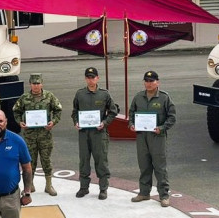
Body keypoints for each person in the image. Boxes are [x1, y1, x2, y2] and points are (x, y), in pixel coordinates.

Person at [129, 70, 177, 207]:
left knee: (159, 166)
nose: (149, 84)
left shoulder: (164, 98)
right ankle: (144, 192)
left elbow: (172, 117)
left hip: (157, 136)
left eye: (151, 81)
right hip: (141, 136)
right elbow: (132, 113)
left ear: (157, 82)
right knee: (144, 165)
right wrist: (131, 125)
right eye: (146, 81)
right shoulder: (138, 97)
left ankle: (164, 195)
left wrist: (162, 128)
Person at [71, 66, 118, 200]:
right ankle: (84, 187)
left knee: (101, 160)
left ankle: (103, 188)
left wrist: (104, 123)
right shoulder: (80, 94)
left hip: (99, 133)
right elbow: (75, 112)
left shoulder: (104, 94)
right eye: (88, 77)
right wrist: (76, 122)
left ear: (98, 78)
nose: (90, 80)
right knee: (84, 160)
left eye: (93, 77)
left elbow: (113, 111)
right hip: (84, 133)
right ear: (85, 79)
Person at [12, 73, 63, 196]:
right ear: (30, 84)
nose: (36, 86)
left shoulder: (49, 96)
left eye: (38, 83)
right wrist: (20, 122)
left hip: (45, 134)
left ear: (42, 83)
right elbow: (16, 111)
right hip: (30, 135)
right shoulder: (24, 98)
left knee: (46, 160)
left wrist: (53, 122)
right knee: (29, 161)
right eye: (33, 83)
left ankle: (48, 185)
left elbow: (58, 110)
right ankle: (30, 185)